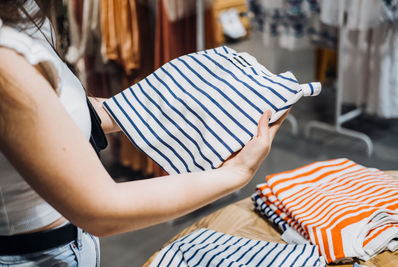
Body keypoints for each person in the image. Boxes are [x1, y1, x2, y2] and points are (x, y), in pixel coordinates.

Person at [0, 0, 288, 266]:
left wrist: (151, 103)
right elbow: (101, 209)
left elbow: (57, 111)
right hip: (37, 254)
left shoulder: (22, 10)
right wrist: (236, 173)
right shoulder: (6, 60)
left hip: (66, 243)